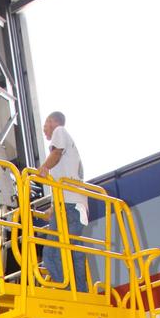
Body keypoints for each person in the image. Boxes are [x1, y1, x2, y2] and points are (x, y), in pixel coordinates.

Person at [38, 111, 91, 291]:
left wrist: (44, 167)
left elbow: (56, 154)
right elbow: (64, 180)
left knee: (52, 253)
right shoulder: (71, 152)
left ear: (52, 122)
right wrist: (52, 209)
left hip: (69, 207)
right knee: (73, 250)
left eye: (45, 125)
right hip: (73, 205)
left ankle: (70, 291)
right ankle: (80, 292)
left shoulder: (59, 131)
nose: (44, 130)